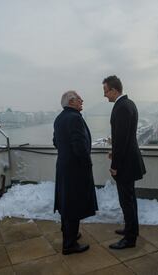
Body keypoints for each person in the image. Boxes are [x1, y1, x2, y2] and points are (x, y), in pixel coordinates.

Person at [103, 75, 146, 249]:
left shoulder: (121, 108)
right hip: (130, 159)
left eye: (106, 91)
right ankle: (131, 229)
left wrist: (114, 165)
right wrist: (115, 152)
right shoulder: (129, 104)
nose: (105, 95)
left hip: (125, 164)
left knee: (126, 201)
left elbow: (121, 140)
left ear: (114, 90)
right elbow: (125, 138)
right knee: (130, 199)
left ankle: (130, 239)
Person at [53, 90, 98, 255]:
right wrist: (87, 164)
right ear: (71, 102)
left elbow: (55, 142)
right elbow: (80, 147)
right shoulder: (75, 118)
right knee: (74, 205)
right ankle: (69, 245)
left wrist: (66, 153)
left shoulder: (59, 118)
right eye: (79, 98)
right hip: (75, 169)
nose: (82, 100)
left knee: (66, 204)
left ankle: (70, 234)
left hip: (64, 167)